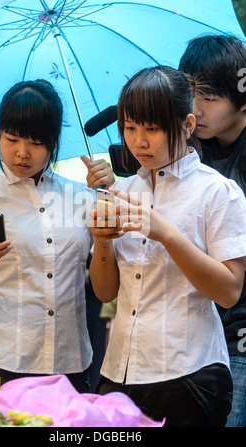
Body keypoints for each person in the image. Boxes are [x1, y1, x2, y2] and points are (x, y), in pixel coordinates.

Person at [89, 65, 246, 426]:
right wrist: (101, 242)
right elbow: (106, 290)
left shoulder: (217, 192)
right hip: (120, 375)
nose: (139, 141)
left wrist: (168, 234)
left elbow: (229, 291)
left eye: (152, 128)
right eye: (129, 127)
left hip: (190, 375)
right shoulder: (122, 193)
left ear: (188, 126)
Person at [0, 79, 113, 391]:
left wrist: (110, 195)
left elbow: (107, 292)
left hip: (69, 366)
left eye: (36, 143)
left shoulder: (82, 197)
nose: (22, 153)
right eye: (11, 139)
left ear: (53, 142)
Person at [178, 34, 246, 427]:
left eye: (209, 97)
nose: (196, 110)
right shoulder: (191, 142)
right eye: (190, 95)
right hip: (200, 332)